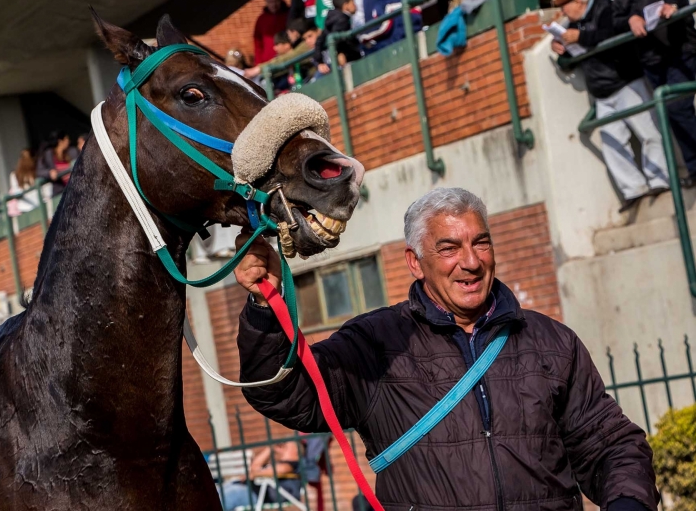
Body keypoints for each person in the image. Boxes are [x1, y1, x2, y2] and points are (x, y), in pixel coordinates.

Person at [233, 187, 659, 511]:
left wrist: (627, 502)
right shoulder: (377, 342)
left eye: (481, 243)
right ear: (415, 262)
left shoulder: (551, 342)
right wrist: (263, 307)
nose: (471, 262)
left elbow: (610, 444)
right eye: (449, 248)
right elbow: (285, 393)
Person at [552, 0, 669, 212]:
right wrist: (561, 50)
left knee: (649, 132)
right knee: (612, 144)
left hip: (626, 82)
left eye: (564, 8)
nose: (562, 14)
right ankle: (633, 189)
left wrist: (581, 37)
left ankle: (661, 180)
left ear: (578, 1)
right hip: (602, 93)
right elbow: (569, 58)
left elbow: (615, 31)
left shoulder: (606, 8)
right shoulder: (572, 25)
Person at [613, 0, 696, 189]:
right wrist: (631, 20)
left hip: (679, 48)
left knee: (677, 106)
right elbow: (617, 17)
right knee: (672, 110)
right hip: (651, 56)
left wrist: (671, 6)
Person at [217, 441, 302, 510]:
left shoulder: (292, 465)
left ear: (296, 451)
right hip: (251, 490)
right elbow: (254, 467)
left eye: (285, 446)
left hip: (261, 495)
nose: (281, 447)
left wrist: (255, 474)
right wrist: (269, 448)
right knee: (220, 490)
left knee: (231, 494)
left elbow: (281, 470)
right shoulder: (276, 463)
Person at [313, 0, 362, 73]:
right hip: (348, 61)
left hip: (332, 61)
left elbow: (319, 41)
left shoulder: (331, 21)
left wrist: (319, 61)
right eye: (353, 2)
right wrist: (340, 53)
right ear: (346, 5)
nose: (355, 5)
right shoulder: (342, 20)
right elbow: (337, 39)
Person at [254, 0, 290, 65]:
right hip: (268, 62)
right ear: (266, 2)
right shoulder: (261, 20)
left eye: (276, 0)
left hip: (287, 59)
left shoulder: (289, 15)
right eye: (270, 1)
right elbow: (257, 44)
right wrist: (259, 63)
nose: (274, 4)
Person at [36, 130, 72, 198]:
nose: (69, 141)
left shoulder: (68, 154)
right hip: (61, 194)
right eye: (66, 139)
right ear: (60, 141)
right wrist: (49, 173)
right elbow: (38, 171)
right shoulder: (48, 154)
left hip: (73, 190)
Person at [8, 148, 40, 216]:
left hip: (32, 208)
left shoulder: (37, 172)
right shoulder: (15, 175)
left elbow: (16, 193)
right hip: (29, 209)